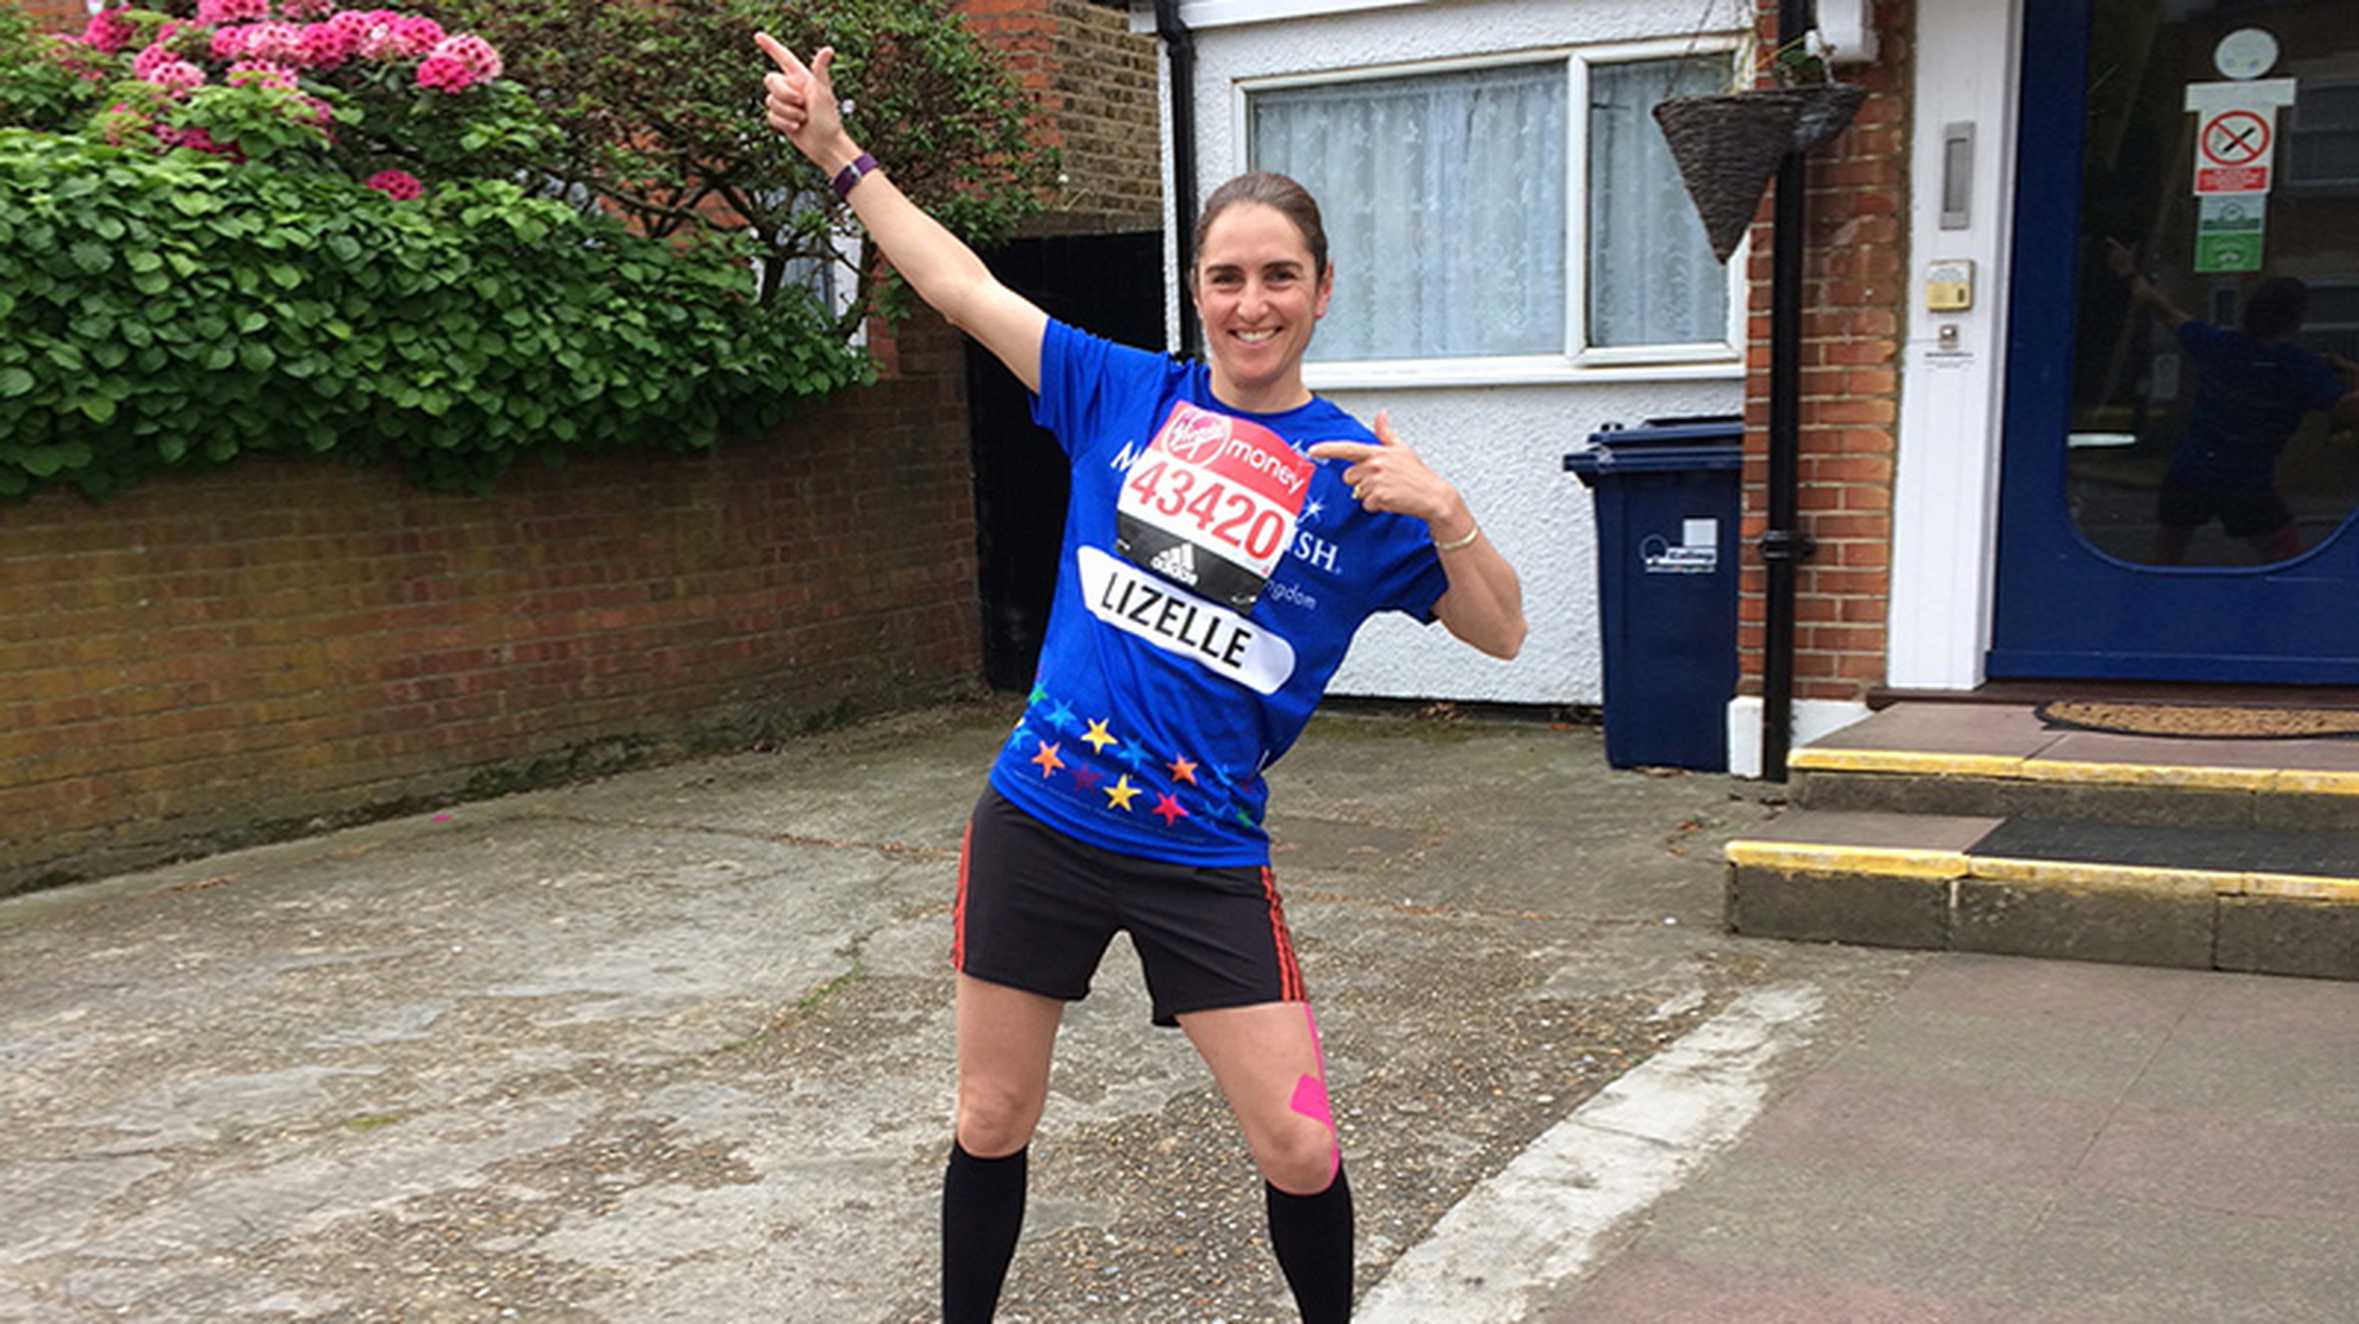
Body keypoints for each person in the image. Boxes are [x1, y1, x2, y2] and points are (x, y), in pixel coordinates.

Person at [755, 33, 1526, 1324]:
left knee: (1300, 1147)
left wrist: (1446, 511)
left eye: (1278, 276)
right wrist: (837, 156)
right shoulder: (1121, 392)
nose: (1250, 301)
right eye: (1225, 277)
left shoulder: (1365, 483)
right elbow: (957, 285)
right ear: (1196, 289)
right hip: (1040, 823)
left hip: (1201, 851)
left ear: (1321, 290)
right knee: (990, 1117)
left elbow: (1500, 633)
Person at [2105, 238, 2359, 565]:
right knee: (2286, 564)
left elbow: (2158, 306)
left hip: (2190, 473)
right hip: (2247, 484)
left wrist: (2127, 271)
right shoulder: (2300, 368)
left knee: (2165, 563)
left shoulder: (2220, 346)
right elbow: (2347, 410)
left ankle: (2149, 611)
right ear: (2296, 319)